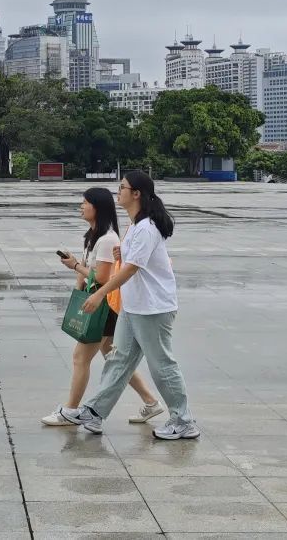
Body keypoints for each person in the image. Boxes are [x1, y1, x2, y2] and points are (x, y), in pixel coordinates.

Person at [65, 171, 198, 440]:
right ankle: (95, 411)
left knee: (162, 365)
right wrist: (122, 253)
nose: (119, 192)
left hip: (153, 308)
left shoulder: (147, 228)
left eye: (122, 187)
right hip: (134, 306)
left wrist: (100, 293)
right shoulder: (135, 226)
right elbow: (131, 263)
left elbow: (131, 270)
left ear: (136, 194)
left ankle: (183, 420)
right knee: (118, 360)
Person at [42, 187, 165, 427]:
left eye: (85, 202)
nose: (81, 206)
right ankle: (151, 402)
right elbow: (88, 273)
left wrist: (75, 266)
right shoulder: (93, 234)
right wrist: (77, 289)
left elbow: (101, 277)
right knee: (113, 357)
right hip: (97, 302)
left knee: (80, 357)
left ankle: (70, 411)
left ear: (97, 207)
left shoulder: (108, 239)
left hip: (105, 305)